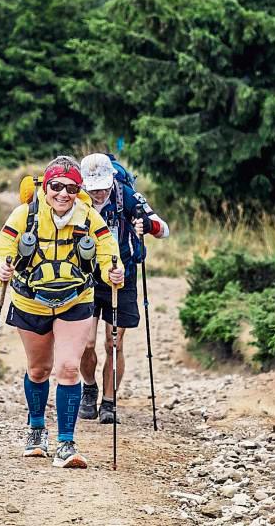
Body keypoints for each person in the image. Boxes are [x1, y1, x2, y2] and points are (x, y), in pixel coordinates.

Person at [0, 156, 123, 468]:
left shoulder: (90, 218)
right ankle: (36, 430)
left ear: (80, 190)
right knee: (38, 369)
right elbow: (1, 250)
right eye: (56, 186)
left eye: (72, 187)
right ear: (45, 186)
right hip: (30, 301)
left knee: (68, 368)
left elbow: (108, 253)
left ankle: (66, 442)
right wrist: (0, 269)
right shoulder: (25, 215)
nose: (63, 194)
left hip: (75, 300)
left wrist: (112, 272)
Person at [78, 153, 169, 424]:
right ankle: (88, 388)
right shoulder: (78, 199)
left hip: (122, 276)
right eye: (93, 188)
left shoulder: (127, 196)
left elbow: (164, 229)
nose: (99, 192)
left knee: (113, 343)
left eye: (103, 186)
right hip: (87, 277)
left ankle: (108, 402)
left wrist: (147, 225)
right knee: (87, 342)